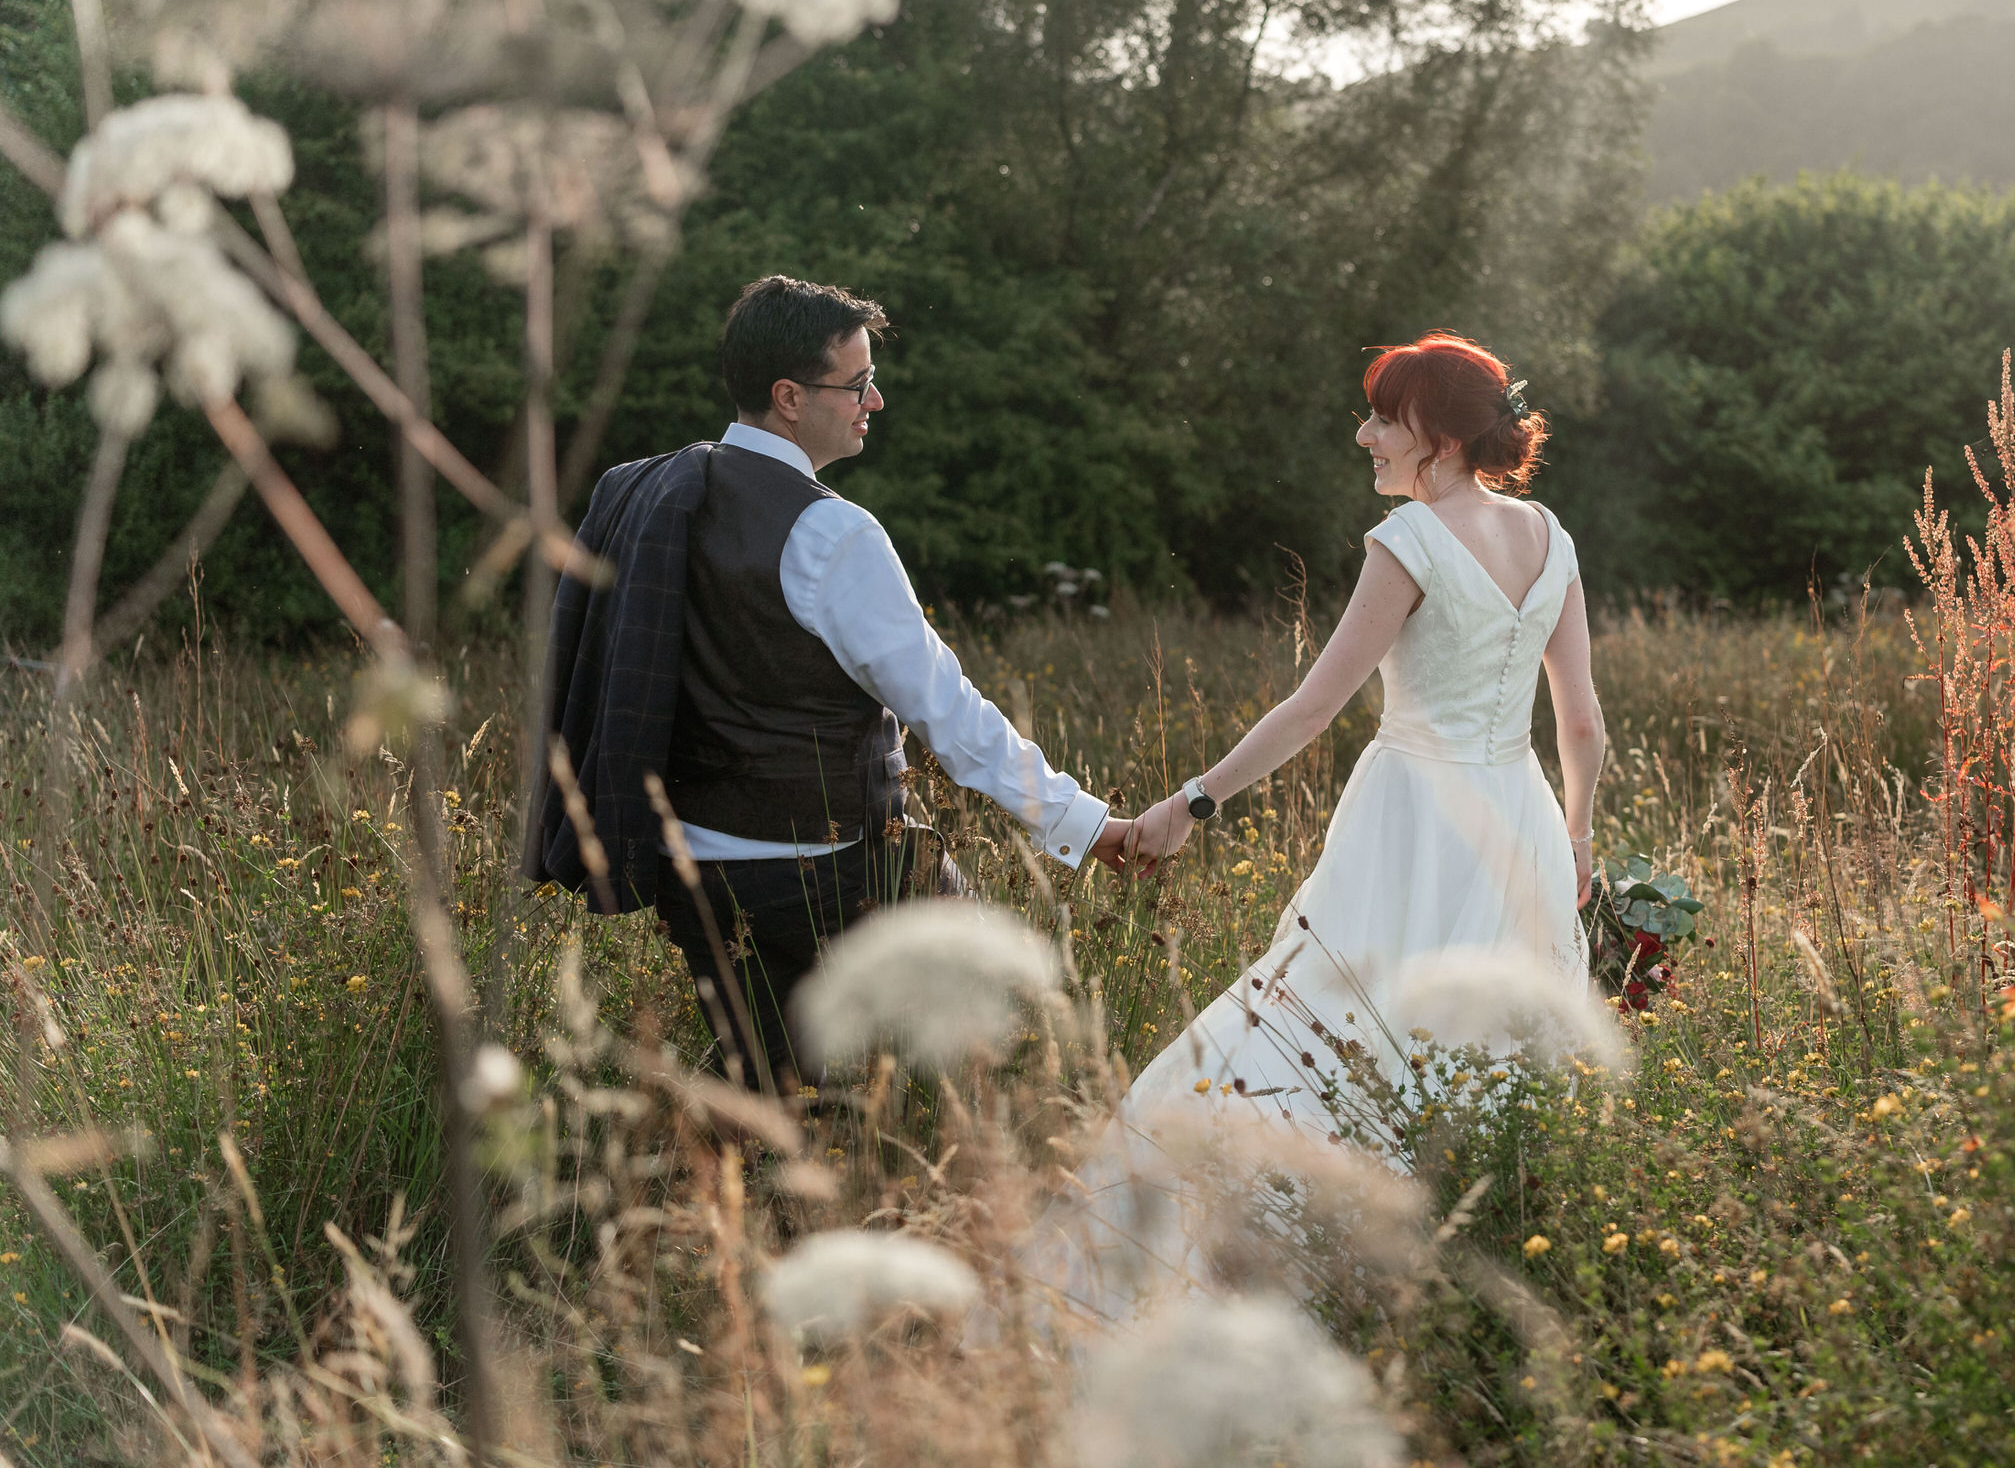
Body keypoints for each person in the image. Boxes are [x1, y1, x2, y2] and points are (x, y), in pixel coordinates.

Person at [1021, 331, 1610, 1317]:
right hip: (1524, 826)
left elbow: (1312, 707)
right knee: (1493, 1055)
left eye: (1384, 417)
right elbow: (1581, 720)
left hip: (1413, 817)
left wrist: (1191, 801)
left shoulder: (1412, 541)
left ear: (1438, 434)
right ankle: (1463, 1274)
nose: (1365, 433)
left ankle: (1261, 1261)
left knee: (1330, 1025)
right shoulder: (1551, 537)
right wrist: (1580, 837)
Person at [527, 276, 1132, 1094]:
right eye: (856, 385)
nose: (874, 401)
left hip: (693, 877)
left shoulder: (638, 493)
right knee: (1012, 1038)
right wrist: (1087, 825)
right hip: (835, 871)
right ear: (787, 397)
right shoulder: (832, 532)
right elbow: (947, 714)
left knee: (769, 1100)